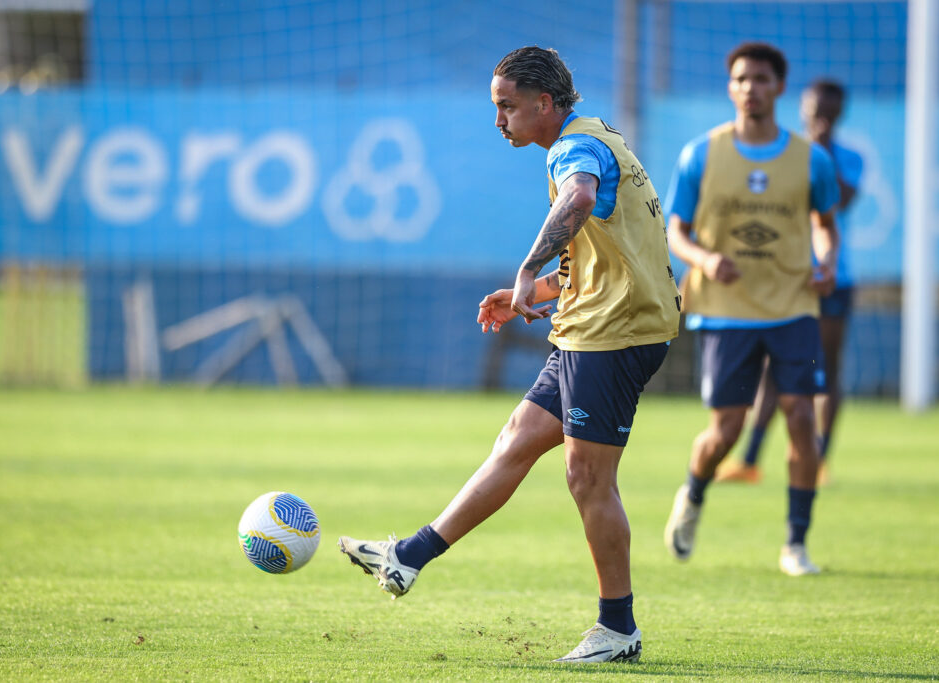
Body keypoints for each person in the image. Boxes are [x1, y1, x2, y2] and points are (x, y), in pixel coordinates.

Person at [338, 46, 681, 663]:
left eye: (507, 107)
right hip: (592, 323)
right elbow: (607, 252)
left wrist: (528, 267)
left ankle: (617, 630)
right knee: (517, 440)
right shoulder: (594, 134)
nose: (499, 120)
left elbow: (577, 202)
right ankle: (407, 557)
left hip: (613, 335)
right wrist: (538, 289)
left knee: (587, 478)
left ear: (543, 104)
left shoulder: (575, 151)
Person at [661, 43, 840, 576]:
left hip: (793, 306)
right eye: (741, 79)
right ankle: (693, 495)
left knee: (802, 419)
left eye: (761, 79)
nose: (750, 88)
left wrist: (826, 261)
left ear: (779, 87)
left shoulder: (811, 158)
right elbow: (676, 231)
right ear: (730, 86)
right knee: (726, 433)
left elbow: (825, 226)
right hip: (725, 311)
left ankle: (796, 543)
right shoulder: (702, 154)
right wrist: (705, 259)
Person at [717, 78, 864, 485]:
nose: (821, 118)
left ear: (838, 115)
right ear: (802, 107)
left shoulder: (844, 157)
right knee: (770, 367)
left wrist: (824, 149)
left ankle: (818, 459)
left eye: (828, 113)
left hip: (833, 276)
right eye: (816, 110)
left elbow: (841, 201)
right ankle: (749, 459)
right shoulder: (785, 153)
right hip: (783, 275)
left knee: (827, 370)